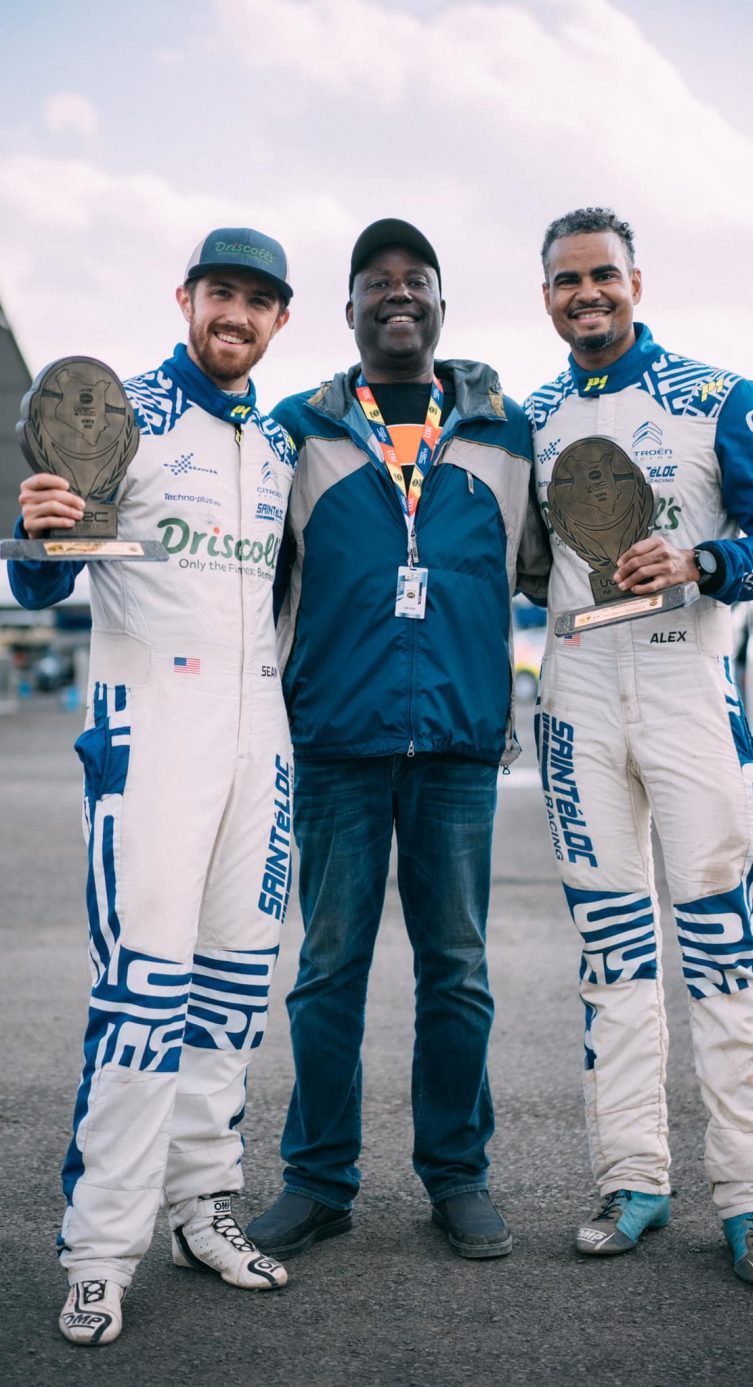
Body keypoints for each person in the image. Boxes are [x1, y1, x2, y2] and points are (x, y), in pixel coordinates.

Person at [8, 227, 298, 1343]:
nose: (236, 315)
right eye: (221, 292)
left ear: (280, 320)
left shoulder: (279, 442)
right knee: (142, 999)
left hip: (259, 740)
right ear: (186, 298)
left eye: (257, 301)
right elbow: (41, 581)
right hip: (151, 737)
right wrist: (33, 532)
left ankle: (200, 1206)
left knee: (231, 990)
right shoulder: (115, 413)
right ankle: (98, 1250)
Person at [246, 218, 550, 1261]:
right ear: (348, 311)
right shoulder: (296, 430)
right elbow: (249, 579)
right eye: (376, 282)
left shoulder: (509, 435)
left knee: (456, 970)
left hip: (459, 743)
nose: (398, 293)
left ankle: (457, 1177)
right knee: (327, 969)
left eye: (416, 278)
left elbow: (551, 567)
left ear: (442, 306)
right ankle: (318, 1179)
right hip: (335, 739)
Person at [526, 206, 753, 1284]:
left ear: (637, 282)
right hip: (577, 692)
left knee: (722, 946)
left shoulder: (722, 395)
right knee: (612, 950)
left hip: (688, 684)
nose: (586, 293)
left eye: (603, 275)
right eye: (566, 280)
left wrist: (703, 561)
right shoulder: (531, 418)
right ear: (546, 296)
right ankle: (632, 1179)